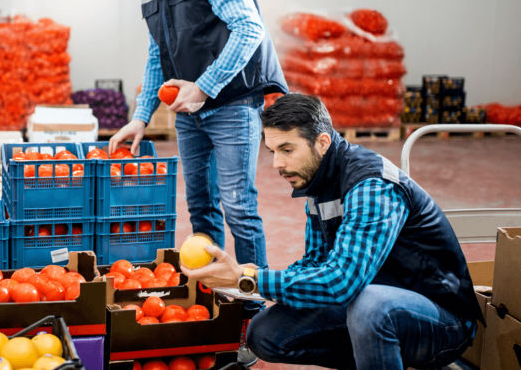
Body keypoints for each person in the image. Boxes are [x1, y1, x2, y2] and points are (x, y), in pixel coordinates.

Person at [182, 93, 483, 370]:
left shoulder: (370, 185)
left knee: (371, 309)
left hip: (439, 319)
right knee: (266, 333)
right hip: (369, 299)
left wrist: (250, 279)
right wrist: (244, 281)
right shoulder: (318, 183)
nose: (277, 163)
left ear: (322, 142)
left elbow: (341, 281)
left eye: (287, 150)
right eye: (273, 151)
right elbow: (315, 263)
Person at [92, 0, 288, 273]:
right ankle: (214, 288)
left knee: (238, 207)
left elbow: (249, 28)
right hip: (189, 112)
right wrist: (140, 117)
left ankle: (251, 299)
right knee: (201, 207)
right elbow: (157, 55)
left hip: (232, 103)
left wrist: (204, 86)